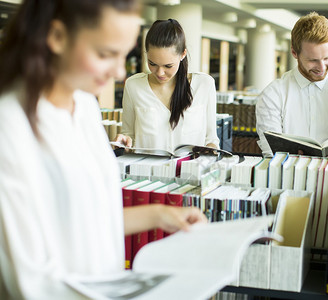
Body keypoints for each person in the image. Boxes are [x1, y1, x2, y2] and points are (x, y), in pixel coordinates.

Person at [0, 1, 206, 298]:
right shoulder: (10, 128)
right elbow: (32, 281)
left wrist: (160, 215)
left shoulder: (84, 105)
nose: (120, 72)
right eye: (105, 54)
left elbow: (89, 220)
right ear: (57, 37)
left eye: (124, 55)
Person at [116, 19, 220, 152]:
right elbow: (128, 135)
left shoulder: (204, 85)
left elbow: (211, 139)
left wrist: (211, 150)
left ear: (183, 54)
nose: (160, 73)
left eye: (168, 66)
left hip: (190, 171)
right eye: (152, 64)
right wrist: (124, 142)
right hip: (146, 171)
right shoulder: (133, 86)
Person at [255, 12, 328, 157]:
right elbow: (270, 151)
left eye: (327, 58)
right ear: (294, 52)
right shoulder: (273, 95)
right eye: (313, 60)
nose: (322, 67)